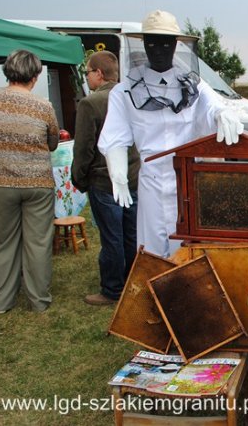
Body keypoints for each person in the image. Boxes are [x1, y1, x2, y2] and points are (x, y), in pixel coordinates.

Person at [98, 10, 243, 258]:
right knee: (152, 250)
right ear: (143, 44)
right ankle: (155, 293)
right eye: (152, 42)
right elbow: (115, 136)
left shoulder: (194, 85)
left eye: (166, 42)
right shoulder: (124, 92)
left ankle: (186, 292)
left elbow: (214, 106)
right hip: (151, 181)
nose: (159, 49)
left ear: (176, 45)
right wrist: (117, 171)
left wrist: (223, 114)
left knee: (187, 247)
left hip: (187, 181)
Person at [71, 51, 141, 305]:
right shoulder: (132, 96)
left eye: (88, 71)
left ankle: (112, 289)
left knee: (112, 237)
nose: (87, 76)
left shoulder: (92, 103)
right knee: (131, 235)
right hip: (133, 178)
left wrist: (78, 179)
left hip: (105, 181)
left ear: (99, 74)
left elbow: (84, 149)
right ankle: (133, 282)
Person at [0, 50, 59, 314]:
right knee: (38, 242)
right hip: (38, 182)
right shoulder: (43, 106)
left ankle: (2, 301)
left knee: (3, 241)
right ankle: (38, 301)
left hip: (1, 181)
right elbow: (53, 142)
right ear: (35, 76)